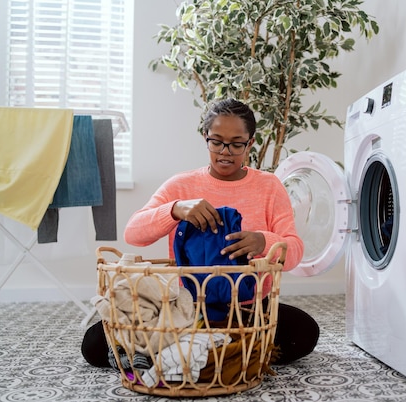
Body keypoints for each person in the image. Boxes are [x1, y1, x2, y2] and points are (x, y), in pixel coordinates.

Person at [81, 98, 319, 368]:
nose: (225, 151)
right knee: (93, 345)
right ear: (205, 138)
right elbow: (133, 233)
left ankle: (185, 351)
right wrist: (175, 209)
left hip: (248, 308)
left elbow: (294, 251)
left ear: (250, 143)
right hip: (185, 308)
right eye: (216, 141)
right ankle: (221, 351)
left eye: (236, 143)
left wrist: (263, 241)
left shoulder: (269, 186)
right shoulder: (182, 186)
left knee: (304, 332)